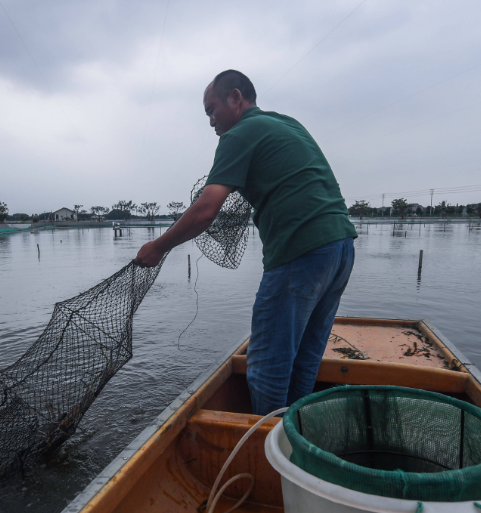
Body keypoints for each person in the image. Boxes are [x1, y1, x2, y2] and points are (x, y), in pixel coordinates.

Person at [135, 69, 356, 415]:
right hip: (341, 248)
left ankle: (267, 455)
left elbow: (205, 210)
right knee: (304, 360)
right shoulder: (287, 123)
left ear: (236, 98)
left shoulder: (238, 134)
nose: (210, 121)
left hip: (300, 252)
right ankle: (295, 443)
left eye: (212, 109)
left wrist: (158, 247)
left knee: (267, 368)